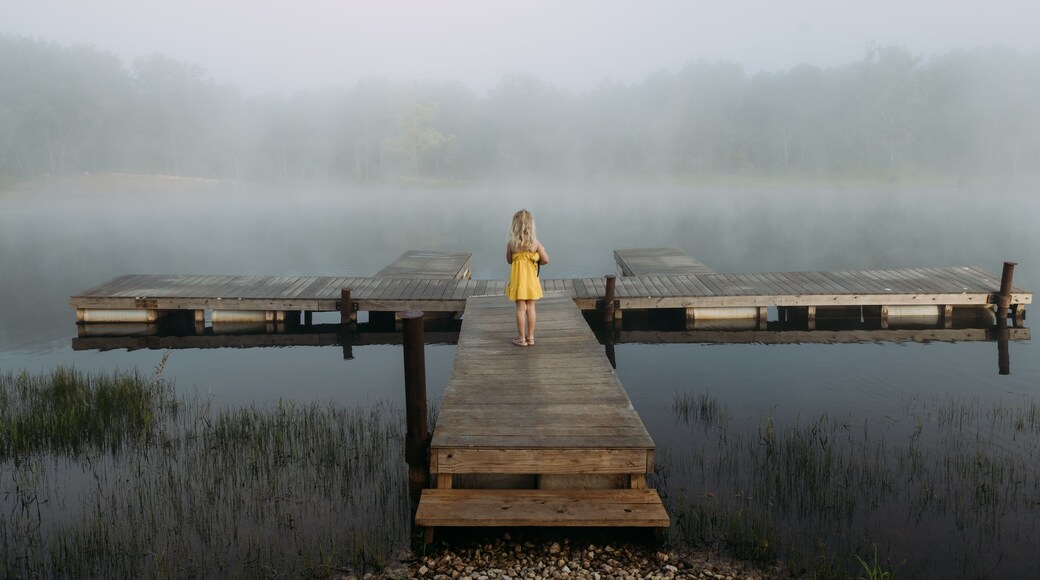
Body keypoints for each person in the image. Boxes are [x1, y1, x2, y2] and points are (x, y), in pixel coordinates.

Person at [506, 209, 549, 346]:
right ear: (531, 226)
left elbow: (509, 260)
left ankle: (521, 338)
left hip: (518, 281)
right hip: (531, 281)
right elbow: (546, 260)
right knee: (531, 307)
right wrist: (536, 257)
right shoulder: (535, 243)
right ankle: (530, 337)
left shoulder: (512, 244)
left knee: (520, 308)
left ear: (514, 226)